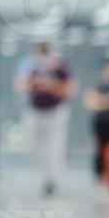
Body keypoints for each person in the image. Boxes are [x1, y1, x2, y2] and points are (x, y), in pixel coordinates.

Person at [15, 43, 75, 195]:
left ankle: (52, 180)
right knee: (34, 145)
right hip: (35, 111)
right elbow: (21, 85)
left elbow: (70, 89)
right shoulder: (33, 69)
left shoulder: (61, 69)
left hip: (55, 112)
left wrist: (51, 86)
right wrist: (34, 84)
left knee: (54, 148)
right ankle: (46, 174)